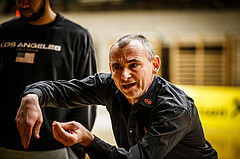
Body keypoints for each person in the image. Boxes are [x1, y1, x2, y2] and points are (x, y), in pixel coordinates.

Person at [15, 34, 218, 158]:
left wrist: (88, 139)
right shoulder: (109, 86)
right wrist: (32, 95)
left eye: (134, 65)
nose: (124, 75)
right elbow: (64, 91)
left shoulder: (174, 108)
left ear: (155, 65)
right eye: (117, 67)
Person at [0, 0, 97, 158]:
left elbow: (86, 95)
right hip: (4, 146)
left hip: (55, 148)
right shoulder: (4, 32)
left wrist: (75, 150)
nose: (23, 3)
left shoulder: (76, 36)